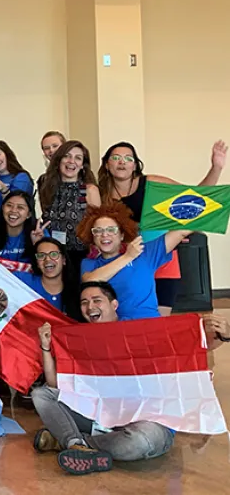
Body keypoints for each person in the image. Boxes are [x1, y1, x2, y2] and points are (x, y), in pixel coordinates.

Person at [32, 282, 177, 475]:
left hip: (142, 419)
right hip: (97, 415)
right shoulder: (81, 338)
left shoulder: (137, 330)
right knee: (42, 395)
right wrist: (46, 347)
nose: (90, 307)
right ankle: (79, 444)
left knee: (144, 441)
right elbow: (54, 385)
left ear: (114, 305)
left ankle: (71, 443)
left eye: (96, 300)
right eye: (84, 302)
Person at [97, 140, 225, 314]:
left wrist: (216, 167)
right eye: (116, 157)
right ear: (107, 164)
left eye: (128, 158)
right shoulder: (101, 194)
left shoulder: (153, 184)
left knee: (160, 318)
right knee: (131, 315)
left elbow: (197, 198)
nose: (122, 162)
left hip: (162, 257)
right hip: (128, 261)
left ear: (135, 165)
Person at [77, 203, 189, 321]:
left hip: (148, 326)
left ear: (122, 235)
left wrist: (207, 203)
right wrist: (128, 256)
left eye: (111, 230)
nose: (104, 234)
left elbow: (182, 231)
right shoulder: (90, 263)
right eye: (98, 231)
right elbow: (90, 280)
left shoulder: (144, 253)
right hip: (115, 331)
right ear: (93, 237)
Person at [37, 140, 101, 261]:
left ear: (82, 165)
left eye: (78, 158)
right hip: (54, 255)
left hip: (82, 256)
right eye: (67, 156)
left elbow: (98, 226)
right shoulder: (47, 187)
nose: (72, 161)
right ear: (59, 160)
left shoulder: (90, 190)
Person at [0, 140, 34, 223]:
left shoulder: (21, 178)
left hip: (9, 229)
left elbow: (16, 207)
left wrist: (4, 190)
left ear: (7, 154)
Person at [0, 190, 42, 264]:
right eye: (9, 205)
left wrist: (37, 244)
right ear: (2, 208)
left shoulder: (38, 232)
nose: (13, 210)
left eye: (20, 207)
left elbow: (45, 266)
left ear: (29, 214)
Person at [23, 240, 77, 317]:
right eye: (41, 256)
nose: (47, 259)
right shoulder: (23, 281)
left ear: (64, 260)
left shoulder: (76, 291)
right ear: (37, 263)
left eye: (54, 254)